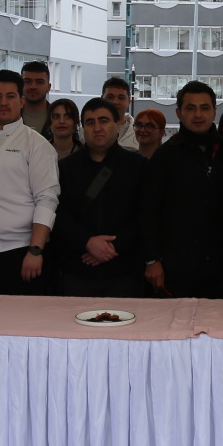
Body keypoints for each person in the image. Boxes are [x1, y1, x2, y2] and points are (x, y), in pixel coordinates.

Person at [0, 70, 60, 295]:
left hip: (20, 252)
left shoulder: (37, 145)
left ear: (21, 101)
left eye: (10, 96)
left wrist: (35, 250)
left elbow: (47, 199)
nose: (3, 102)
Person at [54, 98, 149, 297]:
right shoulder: (66, 167)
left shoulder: (137, 165)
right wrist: (87, 242)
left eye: (103, 121)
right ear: (82, 128)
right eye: (90, 122)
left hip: (125, 269)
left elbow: (146, 214)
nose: (97, 128)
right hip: (78, 268)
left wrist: (114, 246)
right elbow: (59, 214)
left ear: (117, 124)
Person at [141, 81, 223, 297]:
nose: (198, 114)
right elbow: (148, 211)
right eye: (190, 108)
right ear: (179, 113)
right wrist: (152, 259)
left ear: (214, 112)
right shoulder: (165, 156)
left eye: (204, 108)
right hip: (175, 268)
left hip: (219, 267)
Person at [102, 77, 139, 150]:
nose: (115, 102)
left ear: (129, 101)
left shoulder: (139, 133)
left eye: (121, 97)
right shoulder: (86, 131)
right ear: (102, 99)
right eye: (110, 97)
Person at [20, 61, 53, 134]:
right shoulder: (10, 117)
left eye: (39, 82)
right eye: (27, 81)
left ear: (48, 87)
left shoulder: (57, 117)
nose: (33, 86)